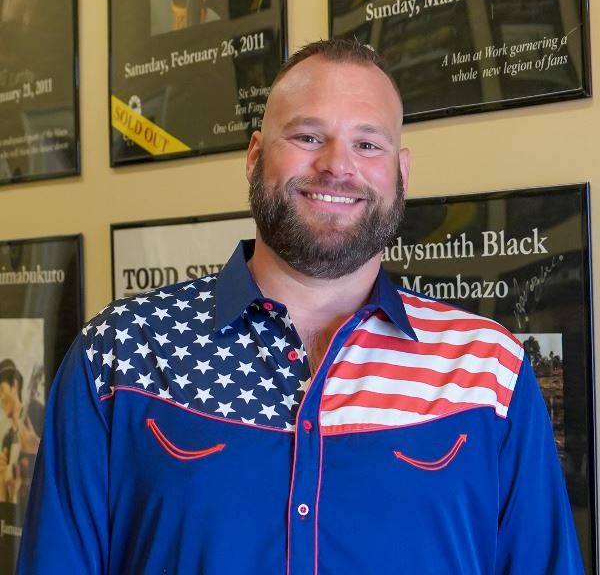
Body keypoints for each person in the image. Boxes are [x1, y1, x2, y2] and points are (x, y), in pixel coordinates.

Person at [18, 39, 583, 573]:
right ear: (254, 157)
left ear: (401, 173)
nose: (337, 165)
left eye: (368, 144)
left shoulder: (487, 368)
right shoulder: (122, 353)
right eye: (309, 136)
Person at [0, 358, 43, 506]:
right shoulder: (7, 439)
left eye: (1, 390)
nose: (0, 399)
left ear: (14, 385)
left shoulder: (37, 412)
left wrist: (36, 447)